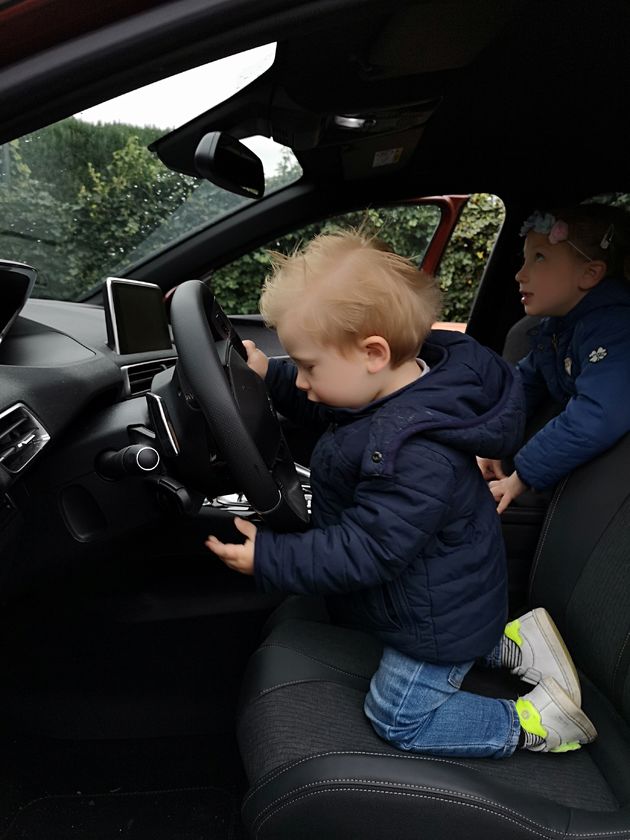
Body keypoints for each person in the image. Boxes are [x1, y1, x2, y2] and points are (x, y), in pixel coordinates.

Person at [206, 230, 596, 757]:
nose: (300, 382)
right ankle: (514, 645)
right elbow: (331, 405)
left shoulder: (414, 454)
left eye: (306, 367)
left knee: (398, 719)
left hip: (434, 617)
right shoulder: (399, 390)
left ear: (373, 353)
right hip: (444, 593)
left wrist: (273, 558)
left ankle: (532, 723)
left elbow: (369, 550)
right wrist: (266, 377)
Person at [479, 203, 630, 513]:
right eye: (525, 259)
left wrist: (522, 475)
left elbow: (598, 413)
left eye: (540, 258)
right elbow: (523, 385)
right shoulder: (557, 328)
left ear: (590, 273)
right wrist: (491, 441)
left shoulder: (616, 330)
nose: (520, 274)